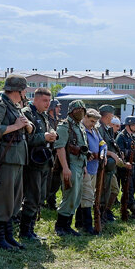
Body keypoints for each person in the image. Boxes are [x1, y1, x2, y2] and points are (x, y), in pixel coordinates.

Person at [0, 75, 30, 251]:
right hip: (4, 159)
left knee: (15, 199)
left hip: (17, 158)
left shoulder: (16, 106)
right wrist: (16, 126)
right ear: (17, 90)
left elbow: (25, 125)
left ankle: (9, 236)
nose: (26, 93)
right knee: (3, 199)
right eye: (24, 89)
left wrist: (26, 125)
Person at [19, 87, 57, 241]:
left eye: (49, 101)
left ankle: (31, 230)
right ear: (35, 99)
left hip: (44, 161)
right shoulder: (28, 113)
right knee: (32, 197)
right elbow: (26, 139)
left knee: (40, 196)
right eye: (44, 100)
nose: (47, 104)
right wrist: (44, 137)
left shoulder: (43, 116)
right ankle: (25, 231)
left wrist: (52, 135)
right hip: (33, 162)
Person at [53, 100, 89, 235]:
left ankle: (67, 225)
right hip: (70, 164)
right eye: (77, 109)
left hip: (80, 165)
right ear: (71, 111)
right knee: (70, 195)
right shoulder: (65, 125)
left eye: (82, 109)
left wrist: (84, 166)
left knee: (76, 196)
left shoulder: (80, 126)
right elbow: (60, 147)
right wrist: (65, 168)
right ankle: (60, 226)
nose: (80, 111)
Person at [76, 108, 104, 235]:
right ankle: (87, 225)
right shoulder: (81, 130)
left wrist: (103, 150)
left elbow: (102, 143)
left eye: (95, 122)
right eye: (91, 121)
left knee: (88, 195)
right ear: (85, 117)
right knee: (87, 196)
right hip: (85, 167)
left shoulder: (95, 130)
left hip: (95, 167)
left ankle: (79, 222)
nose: (93, 124)